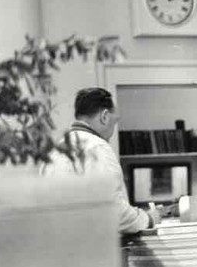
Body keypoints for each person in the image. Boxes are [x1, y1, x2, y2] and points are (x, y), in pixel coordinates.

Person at [41, 87, 161, 233]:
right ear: (104, 117)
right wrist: (148, 219)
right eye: (115, 122)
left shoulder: (56, 149)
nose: (112, 131)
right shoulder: (97, 147)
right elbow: (113, 213)